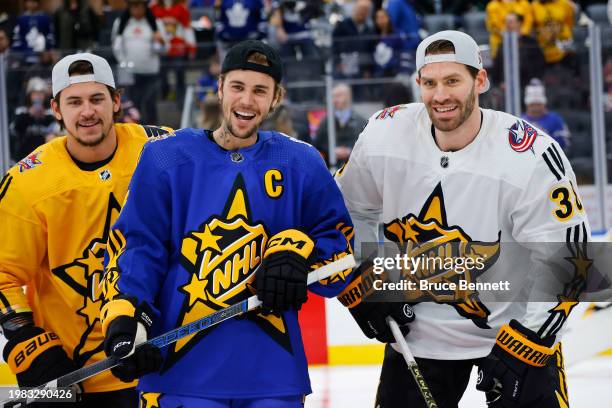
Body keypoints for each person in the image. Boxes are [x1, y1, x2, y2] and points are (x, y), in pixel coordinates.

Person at [98, 40, 361, 407]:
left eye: (260, 91)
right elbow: (140, 248)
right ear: (220, 88)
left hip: (273, 376)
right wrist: (127, 317)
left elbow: (341, 255)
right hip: (179, 375)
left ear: (276, 98)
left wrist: (299, 250)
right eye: (237, 87)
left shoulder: (300, 162)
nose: (247, 101)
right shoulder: (165, 158)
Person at [335, 30, 591, 407]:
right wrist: (360, 283)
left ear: (480, 80)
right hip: (416, 338)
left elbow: (569, 256)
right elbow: (342, 211)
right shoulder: (383, 134)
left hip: (515, 334)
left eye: (453, 81)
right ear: (418, 84)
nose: (440, 96)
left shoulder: (530, 153)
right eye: (430, 83)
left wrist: (529, 341)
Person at [0, 52, 173, 406]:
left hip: (164, 364)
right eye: (74, 102)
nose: (87, 112)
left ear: (116, 102)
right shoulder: (27, 183)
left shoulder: (166, 150)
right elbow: (2, 274)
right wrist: (25, 342)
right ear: (56, 109)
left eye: (97, 99)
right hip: (77, 378)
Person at [112, 0, 166, 124]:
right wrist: (124, 63)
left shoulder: (156, 23)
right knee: (132, 106)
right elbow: (116, 47)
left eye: (138, 5)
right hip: (129, 74)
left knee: (150, 103)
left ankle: (154, 134)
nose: (135, 9)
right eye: (132, 6)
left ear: (144, 6)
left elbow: (164, 50)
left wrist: (160, 41)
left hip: (150, 72)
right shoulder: (120, 23)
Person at [315, 83, 367, 167]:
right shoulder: (325, 122)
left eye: (339, 96)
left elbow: (365, 145)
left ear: (348, 96)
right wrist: (330, 151)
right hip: (331, 168)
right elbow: (317, 144)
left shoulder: (361, 121)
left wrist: (350, 150)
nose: (335, 99)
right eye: (333, 96)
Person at [521, 79, 571, 152]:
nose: (535, 108)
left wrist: (541, 141)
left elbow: (565, 141)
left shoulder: (555, 119)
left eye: (538, 104)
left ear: (544, 104)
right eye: (532, 105)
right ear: (527, 105)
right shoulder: (520, 120)